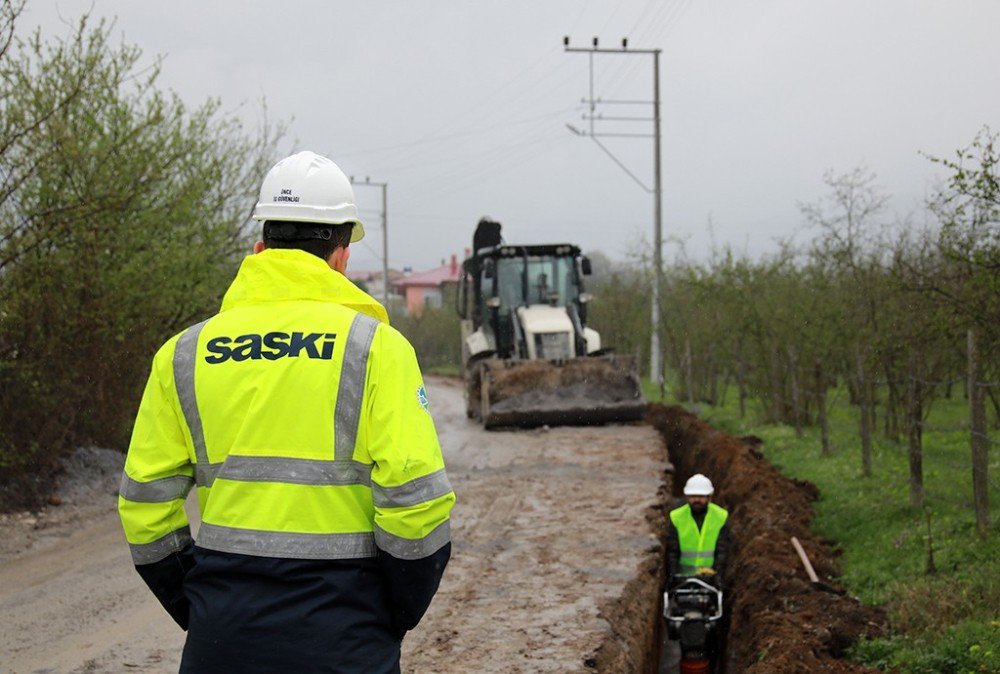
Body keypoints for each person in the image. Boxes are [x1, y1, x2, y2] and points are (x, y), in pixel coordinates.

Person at [118, 150, 456, 673]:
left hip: (222, 638)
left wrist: (201, 607)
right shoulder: (377, 350)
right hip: (346, 637)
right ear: (341, 256)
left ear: (260, 248)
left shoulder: (182, 354)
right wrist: (394, 611)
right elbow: (417, 505)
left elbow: (144, 506)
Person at [666, 473, 730, 586]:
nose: (696, 500)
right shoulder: (676, 517)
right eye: (692, 496)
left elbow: (722, 552)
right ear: (687, 497)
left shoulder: (720, 517)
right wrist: (672, 577)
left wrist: (718, 576)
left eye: (701, 496)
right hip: (682, 578)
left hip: (710, 578)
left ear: (709, 497)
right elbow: (672, 552)